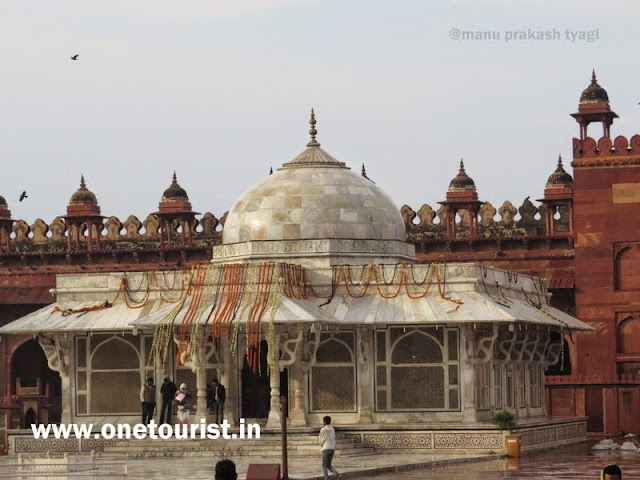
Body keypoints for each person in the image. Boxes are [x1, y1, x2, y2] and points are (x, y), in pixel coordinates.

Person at [319, 415, 342, 480]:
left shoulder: (323, 429)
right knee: (328, 464)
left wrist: (321, 446)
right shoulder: (332, 429)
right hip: (332, 448)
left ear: (325, 422)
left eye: (323, 421)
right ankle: (338, 475)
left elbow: (321, 440)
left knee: (324, 465)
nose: (323, 423)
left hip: (326, 448)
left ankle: (326, 479)